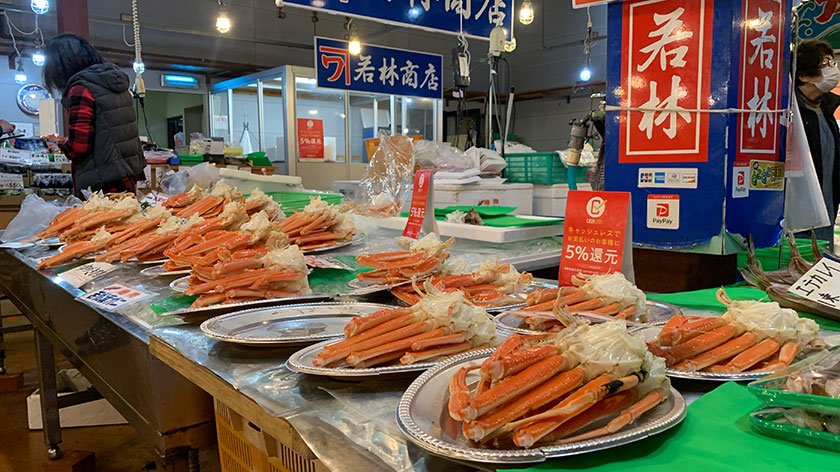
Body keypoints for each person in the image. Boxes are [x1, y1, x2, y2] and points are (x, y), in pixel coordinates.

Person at [42, 33, 145, 197]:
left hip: (103, 180)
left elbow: (78, 146)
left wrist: (59, 144)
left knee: (104, 222)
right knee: (127, 219)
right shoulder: (114, 83)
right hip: (126, 173)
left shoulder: (81, 88)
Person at [795, 39, 840, 242]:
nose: (834, 69)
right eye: (826, 65)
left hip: (827, 214)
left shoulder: (826, 109)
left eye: (834, 63)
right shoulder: (790, 112)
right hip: (797, 220)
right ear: (804, 76)